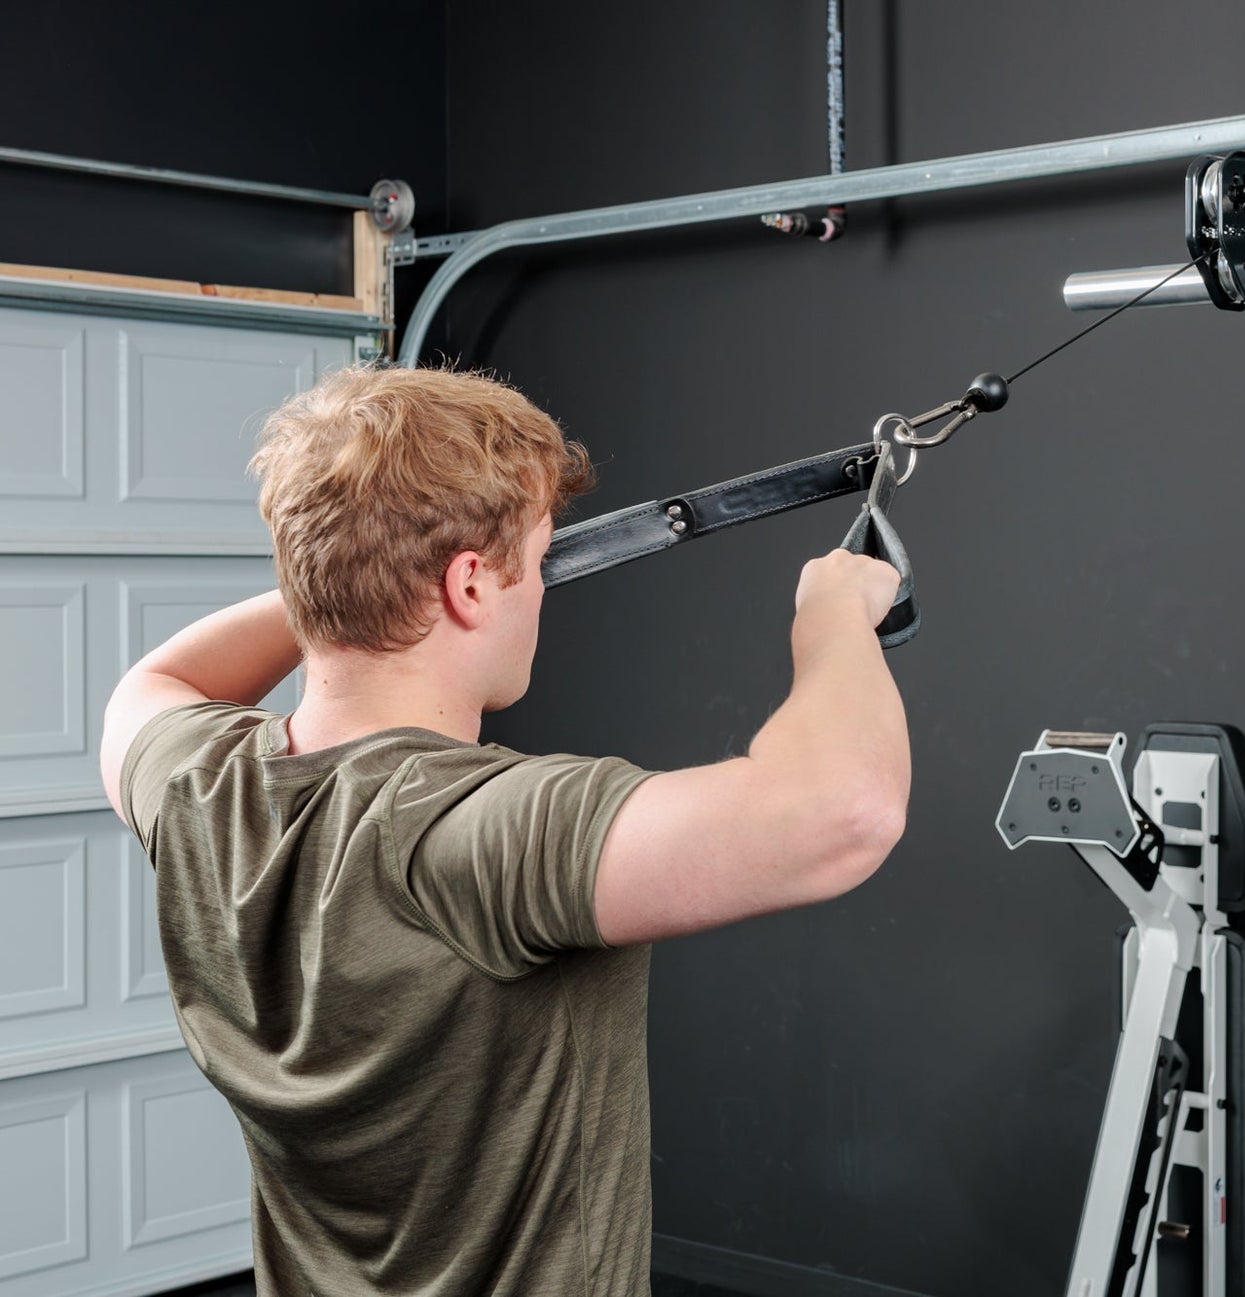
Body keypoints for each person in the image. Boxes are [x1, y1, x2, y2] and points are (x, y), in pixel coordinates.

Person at [99, 365, 910, 1296]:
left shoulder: (201, 788)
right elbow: (844, 810)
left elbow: (154, 683)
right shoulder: (479, 830)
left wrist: (353, 572)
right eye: (542, 557)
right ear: (471, 584)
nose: (545, 588)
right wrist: (835, 616)